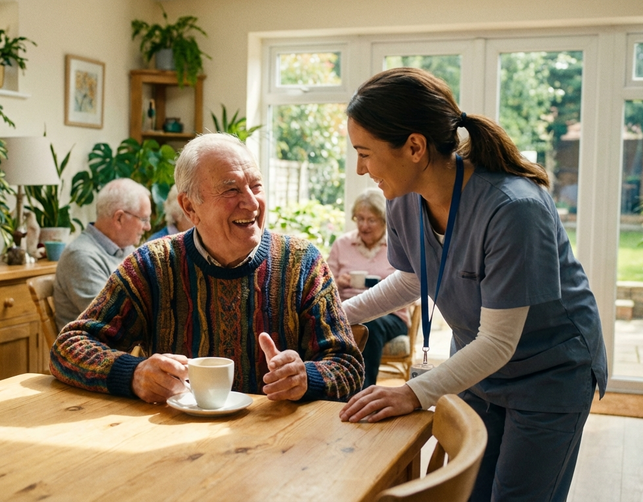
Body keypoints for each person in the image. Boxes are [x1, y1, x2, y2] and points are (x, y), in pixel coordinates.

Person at [337, 67, 607, 502]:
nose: (360, 168)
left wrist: (412, 392)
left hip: (549, 373)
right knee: (470, 493)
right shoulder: (405, 199)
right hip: (479, 369)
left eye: (365, 153)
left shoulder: (514, 209)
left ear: (414, 147)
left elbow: (499, 341)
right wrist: (334, 314)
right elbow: (413, 277)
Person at [50, 133, 364, 404]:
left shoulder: (302, 262)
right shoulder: (153, 265)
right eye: (231, 190)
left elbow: (348, 365)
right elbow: (68, 348)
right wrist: (133, 374)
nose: (252, 203)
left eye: (255, 186)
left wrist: (306, 377)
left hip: (276, 445)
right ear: (190, 207)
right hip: (176, 442)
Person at [327, 187, 409, 387]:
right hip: (347, 311)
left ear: (383, 220)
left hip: (390, 315)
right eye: (360, 218)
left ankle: (363, 390)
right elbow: (323, 286)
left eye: (371, 220)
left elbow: (411, 287)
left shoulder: (397, 246)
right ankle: (331, 386)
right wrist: (338, 283)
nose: (364, 225)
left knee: (370, 325)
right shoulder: (342, 244)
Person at [53, 178, 152, 328]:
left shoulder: (127, 250)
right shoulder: (80, 256)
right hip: (93, 349)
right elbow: (111, 321)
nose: (148, 227)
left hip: (126, 346)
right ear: (119, 218)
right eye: (144, 219)